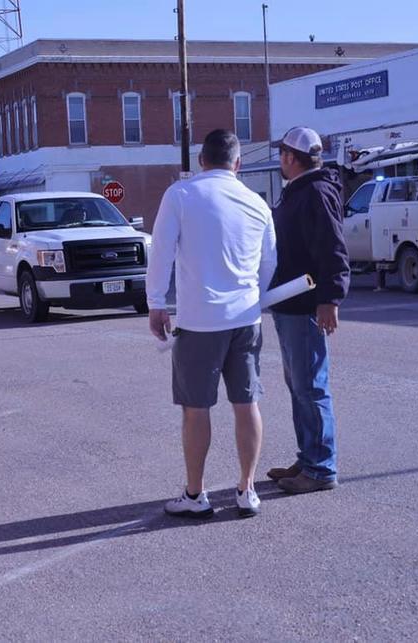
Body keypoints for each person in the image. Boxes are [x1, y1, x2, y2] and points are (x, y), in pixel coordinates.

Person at [147, 129, 277, 519]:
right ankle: (246, 489)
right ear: (238, 163)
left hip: (200, 321)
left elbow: (161, 252)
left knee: (196, 407)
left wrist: (156, 304)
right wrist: (253, 297)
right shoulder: (257, 203)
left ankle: (195, 494)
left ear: (202, 160)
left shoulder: (181, 195)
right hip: (246, 318)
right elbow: (269, 263)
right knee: (246, 402)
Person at [266, 126, 350, 494]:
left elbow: (333, 248)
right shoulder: (298, 192)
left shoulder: (314, 192)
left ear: (289, 157)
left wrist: (329, 300)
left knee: (310, 386)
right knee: (299, 386)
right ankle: (309, 456)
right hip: (290, 303)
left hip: (304, 306)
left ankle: (319, 468)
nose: (279, 160)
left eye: (281, 154)